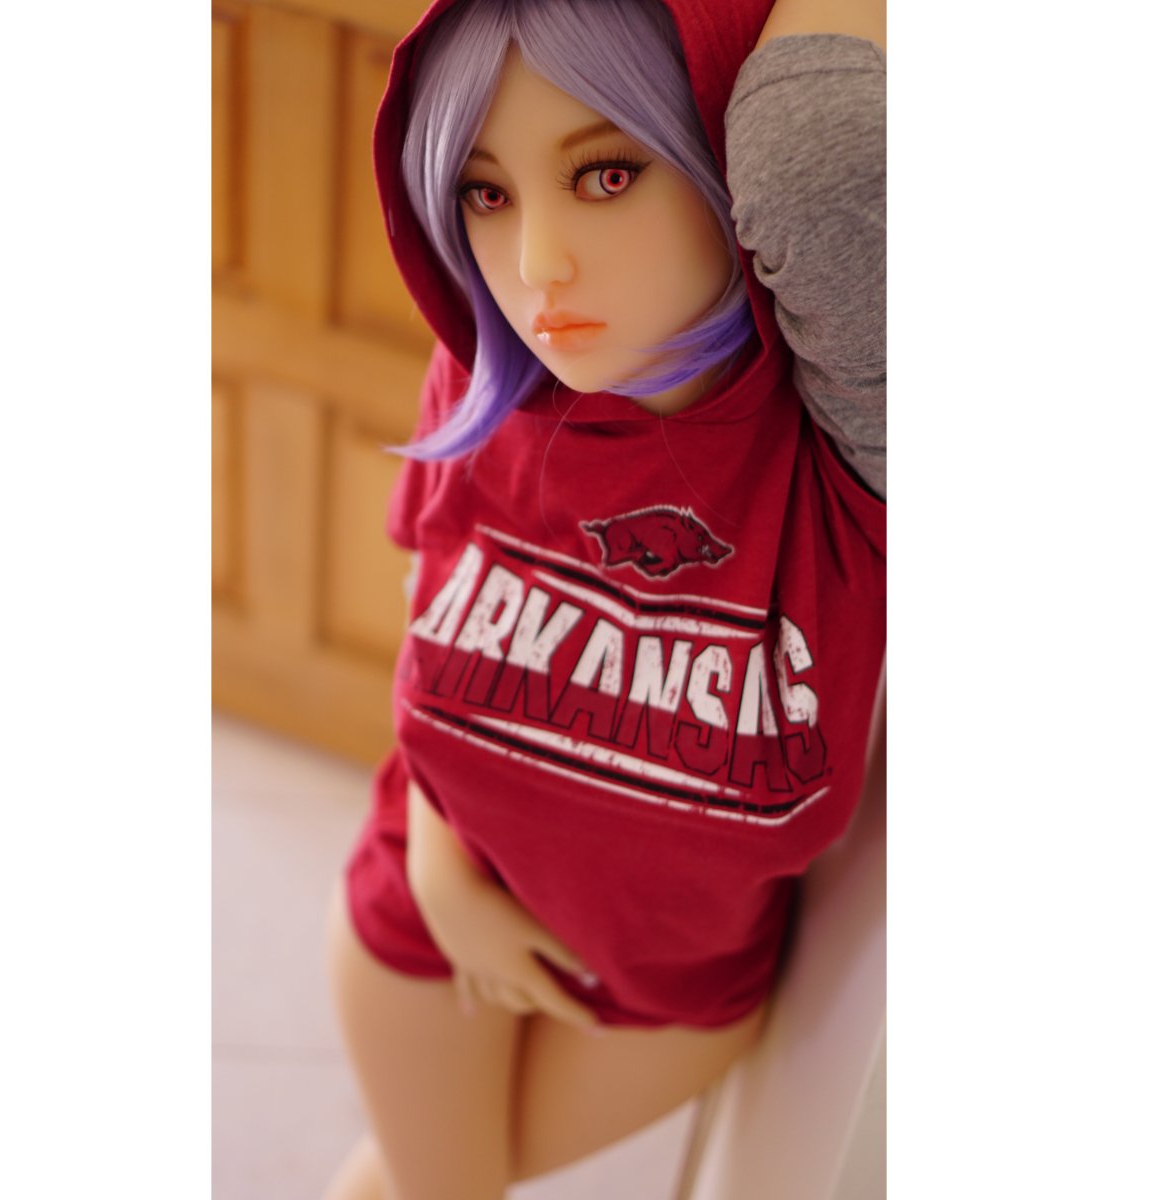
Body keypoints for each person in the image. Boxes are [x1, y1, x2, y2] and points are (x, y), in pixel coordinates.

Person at [322, 0, 885, 1197]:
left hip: (674, 998)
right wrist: (439, 872)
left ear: (721, 164)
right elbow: (428, 621)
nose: (537, 266)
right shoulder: (482, 382)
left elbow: (823, 145)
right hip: (433, 920)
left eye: (607, 174)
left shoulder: (843, 465)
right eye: (485, 193)